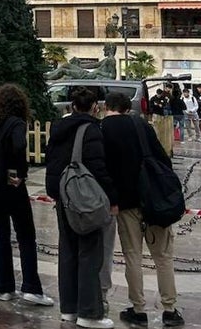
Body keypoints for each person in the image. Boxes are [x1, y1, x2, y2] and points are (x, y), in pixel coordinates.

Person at [101, 90, 184, 326]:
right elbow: (163, 159)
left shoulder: (103, 130)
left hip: (125, 204)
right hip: (154, 202)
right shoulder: (141, 126)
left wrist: (113, 199)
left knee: (133, 257)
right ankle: (169, 309)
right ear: (128, 108)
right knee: (163, 257)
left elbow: (104, 169)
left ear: (107, 106)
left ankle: (138, 309)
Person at [0, 83, 53, 307]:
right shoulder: (16, 123)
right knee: (26, 234)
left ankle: (4, 287)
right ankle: (31, 288)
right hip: (10, 184)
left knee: (0, 232)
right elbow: (18, 146)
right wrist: (20, 173)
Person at [45, 86, 117, 329]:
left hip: (63, 198)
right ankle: (89, 313)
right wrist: (112, 199)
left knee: (67, 253)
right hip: (84, 201)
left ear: (72, 106)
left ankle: (69, 309)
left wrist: (55, 192)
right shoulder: (92, 130)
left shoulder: (57, 129)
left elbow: (52, 164)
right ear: (95, 107)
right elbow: (98, 167)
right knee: (89, 254)